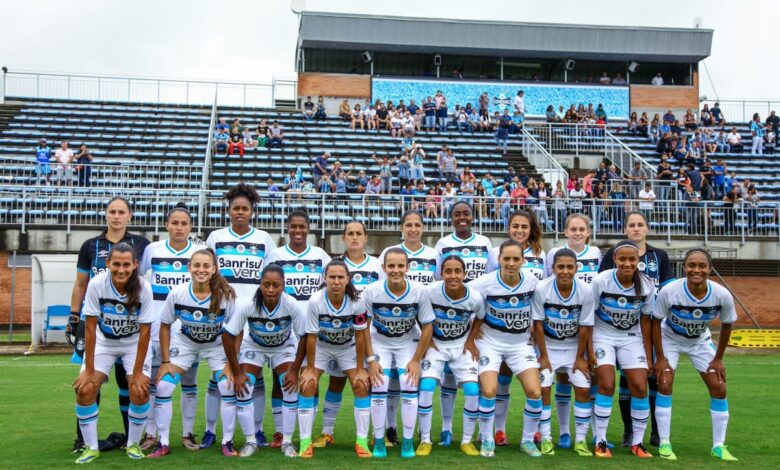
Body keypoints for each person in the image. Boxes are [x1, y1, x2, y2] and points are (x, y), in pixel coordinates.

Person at [68, 197, 151, 454]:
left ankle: (133, 441)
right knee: (87, 385)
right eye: (112, 212)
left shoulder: (143, 248)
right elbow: (81, 286)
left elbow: (146, 329)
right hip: (102, 330)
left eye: (121, 212)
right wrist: (73, 316)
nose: (116, 216)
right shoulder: (91, 247)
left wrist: (138, 372)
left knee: (134, 386)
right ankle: (86, 444)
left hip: (132, 335)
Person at [148, 249, 237, 458]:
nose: (201, 270)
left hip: (216, 345)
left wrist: (231, 364)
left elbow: (236, 330)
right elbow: (165, 324)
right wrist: (166, 361)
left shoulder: (226, 296)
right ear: (189, 267)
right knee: (163, 386)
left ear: (214, 269)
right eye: (197, 265)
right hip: (185, 344)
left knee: (227, 385)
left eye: (206, 266)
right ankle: (163, 443)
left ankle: (227, 442)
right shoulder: (177, 293)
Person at [206, 183, 277, 446]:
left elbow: (271, 278)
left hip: (253, 319)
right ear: (229, 211)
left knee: (253, 375)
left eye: (244, 209)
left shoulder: (263, 239)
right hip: (222, 317)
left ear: (252, 212)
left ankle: (256, 430)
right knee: (218, 376)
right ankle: (211, 431)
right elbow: (207, 273)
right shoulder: (215, 237)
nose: (240, 212)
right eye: (235, 208)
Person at [652, 248, 739, 462]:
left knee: (719, 386)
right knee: (664, 383)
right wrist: (660, 357)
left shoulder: (721, 294)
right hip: (670, 338)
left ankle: (718, 446)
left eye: (702, 266)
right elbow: (655, 323)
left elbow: (727, 325)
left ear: (710, 269)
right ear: (684, 268)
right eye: (691, 265)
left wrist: (718, 359)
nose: (696, 270)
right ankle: (664, 443)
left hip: (700, 341)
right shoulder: (670, 291)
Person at [599, 211, 675, 446]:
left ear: (647, 228)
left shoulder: (658, 255)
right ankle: (628, 432)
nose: (636, 228)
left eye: (640, 224)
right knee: (624, 381)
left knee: (651, 379)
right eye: (631, 224)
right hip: (616, 327)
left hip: (650, 325)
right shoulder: (613, 254)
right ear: (625, 229)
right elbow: (603, 285)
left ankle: (653, 431)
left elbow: (668, 290)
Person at [222, 264, 307, 458]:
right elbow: (228, 336)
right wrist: (237, 372)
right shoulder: (248, 304)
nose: (270, 289)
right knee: (244, 387)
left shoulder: (291, 304)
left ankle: (287, 441)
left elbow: (304, 336)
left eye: (275, 285)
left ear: (283, 285)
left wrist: (295, 370)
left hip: (283, 347)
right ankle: (251, 441)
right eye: (266, 284)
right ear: (260, 284)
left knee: (289, 386)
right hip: (255, 347)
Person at [137, 205, 204, 452]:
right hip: (157, 330)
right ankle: (152, 433)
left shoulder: (198, 252)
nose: (179, 228)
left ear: (190, 227)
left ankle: (188, 433)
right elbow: (139, 279)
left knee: (189, 383)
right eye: (174, 223)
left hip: (188, 331)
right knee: (157, 384)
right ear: (166, 225)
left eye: (184, 223)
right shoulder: (153, 250)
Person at [311, 221, 383, 448]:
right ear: (343, 238)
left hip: (367, 334)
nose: (354, 237)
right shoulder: (335, 266)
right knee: (335, 383)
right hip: (336, 334)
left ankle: (377, 433)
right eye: (350, 234)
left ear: (365, 237)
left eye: (358, 233)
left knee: (371, 383)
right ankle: (326, 432)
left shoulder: (376, 265)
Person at [469, 240, 542, 458]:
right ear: (499, 259)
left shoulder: (532, 282)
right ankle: (487, 439)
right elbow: (465, 304)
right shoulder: (483, 283)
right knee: (490, 390)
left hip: (520, 344)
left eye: (515, 259)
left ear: (523, 261)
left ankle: (528, 441)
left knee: (535, 392)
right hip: (490, 343)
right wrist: (470, 337)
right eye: (506, 258)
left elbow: (538, 313)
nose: (511, 263)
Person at [362, 248, 434, 458]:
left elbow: (428, 326)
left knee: (409, 383)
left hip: (407, 341)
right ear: (383, 268)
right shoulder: (372, 290)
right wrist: (371, 359)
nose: (396, 270)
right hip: (380, 341)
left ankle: (408, 442)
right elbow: (363, 327)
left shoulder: (420, 291)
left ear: (407, 267)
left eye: (400, 266)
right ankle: (378, 442)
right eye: (391, 266)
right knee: (380, 383)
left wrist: (416, 360)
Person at [297, 259, 372, 458]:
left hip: (347, 348)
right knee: (307, 384)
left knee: (361, 384)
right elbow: (311, 337)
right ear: (325, 279)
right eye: (332, 277)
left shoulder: (357, 301)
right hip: (321, 347)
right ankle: (305, 442)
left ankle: (362, 441)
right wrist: (311, 368)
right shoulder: (315, 301)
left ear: (348, 279)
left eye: (340, 277)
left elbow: (360, 334)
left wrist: (360, 368)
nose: (336, 281)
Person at [590, 240, 656, 458]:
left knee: (639, 386)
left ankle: (637, 443)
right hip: (603, 335)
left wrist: (648, 355)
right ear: (614, 260)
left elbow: (646, 322)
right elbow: (588, 317)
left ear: (638, 261)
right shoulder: (601, 281)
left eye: (632, 259)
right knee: (607, 385)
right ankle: (601, 441)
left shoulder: (646, 285)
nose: (627, 263)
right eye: (623, 259)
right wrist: (588, 351)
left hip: (630, 338)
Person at [415, 255, 483, 457]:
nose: (453, 276)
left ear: (464, 274)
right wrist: (428, 340)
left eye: (457, 271)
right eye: (448, 271)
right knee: (426, 388)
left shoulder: (475, 297)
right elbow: (418, 316)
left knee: (472, 390)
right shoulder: (430, 292)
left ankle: (466, 441)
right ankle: (426, 439)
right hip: (436, 346)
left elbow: (480, 318)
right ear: (441, 274)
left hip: (461, 346)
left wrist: (471, 340)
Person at [532, 248, 596, 456]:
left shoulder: (585, 290)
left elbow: (585, 326)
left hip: (572, 348)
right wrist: (543, 356)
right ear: (553, 268)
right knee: (543, 390)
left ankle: (580, 440)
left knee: (583, 389)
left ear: (577, 268)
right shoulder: (542, 288)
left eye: (570, 267)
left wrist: (580, 357)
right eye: (561, 267)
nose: (565, 271)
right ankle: (547, 439)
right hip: (548, 347)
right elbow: (538, 325)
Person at [434, 201, 493, 283]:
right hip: (453, 294)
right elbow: (438, 276)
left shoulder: (484, 242)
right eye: (457, 215)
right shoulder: (443, 243)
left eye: (466, 214)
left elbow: (490, 272)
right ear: (451, 219)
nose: (462, 217)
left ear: (473, 217)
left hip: (480, 294)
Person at [379, 210, 437, 285]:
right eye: (409, 225)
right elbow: (381, 282)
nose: (413, 229)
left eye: (417, 225)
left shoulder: (434, 254)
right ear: (401, 228)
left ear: (423, 227)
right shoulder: (388, 252)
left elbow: (438, 283)